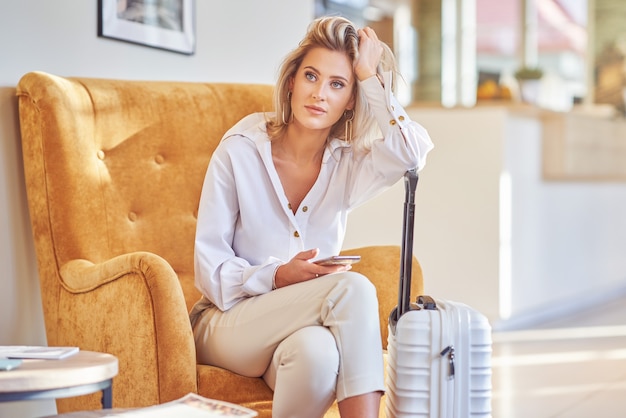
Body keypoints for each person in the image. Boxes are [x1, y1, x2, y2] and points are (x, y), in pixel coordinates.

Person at [190, 16, 434, 418]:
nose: (320, 93)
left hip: (299, 331)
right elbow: (210, 269)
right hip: (225, 322)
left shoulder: (347, 165)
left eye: (338, 84)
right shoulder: (240, 150)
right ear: (292, 82)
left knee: (318, 355)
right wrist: (276, 276)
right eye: (311, 76)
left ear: (351, 100)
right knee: (353, 289)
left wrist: (370, 77)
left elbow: (412, 154)